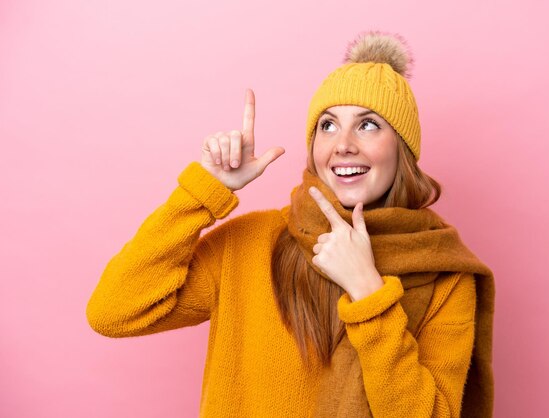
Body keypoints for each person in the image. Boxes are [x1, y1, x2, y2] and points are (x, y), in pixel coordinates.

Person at [86, 31, 495, 418]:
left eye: (368, 124)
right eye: (327, 125)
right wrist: (204, 192)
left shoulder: (446, 274)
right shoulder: (251, 243)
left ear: (402, 149)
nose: (343, 144)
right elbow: (113, 311)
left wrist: (369, 293)